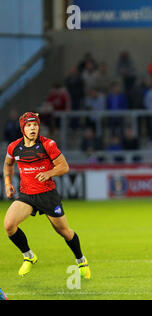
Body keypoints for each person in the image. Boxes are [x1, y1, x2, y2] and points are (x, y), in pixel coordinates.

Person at [3, 112, 90, 278]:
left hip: (47, 195)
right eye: (29, 125)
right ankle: (29, 256)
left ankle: (81, 260)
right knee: (8, 225)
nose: (33, 128)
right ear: (23, 128)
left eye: (35, 125)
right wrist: (8, 184)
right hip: (26, 195)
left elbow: (64, 167)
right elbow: (8, 165)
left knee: (64, 231)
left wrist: (49, 173)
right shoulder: (14, 147)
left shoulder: (48, 144)